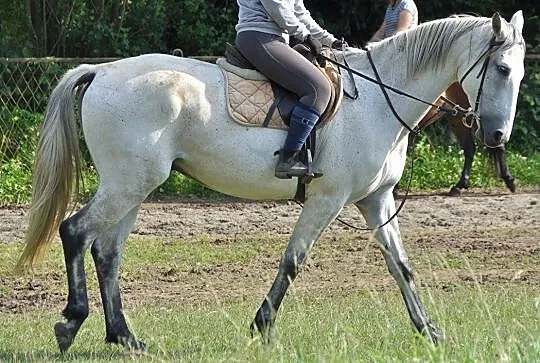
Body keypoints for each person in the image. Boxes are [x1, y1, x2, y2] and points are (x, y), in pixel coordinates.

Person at [235, 0, 346, 179]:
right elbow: (277, 9)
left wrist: (330, 41)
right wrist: (306, 36)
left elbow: (300, 13)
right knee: (319, 89)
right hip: (260, 36)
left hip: (276, 39)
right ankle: (290, 157)